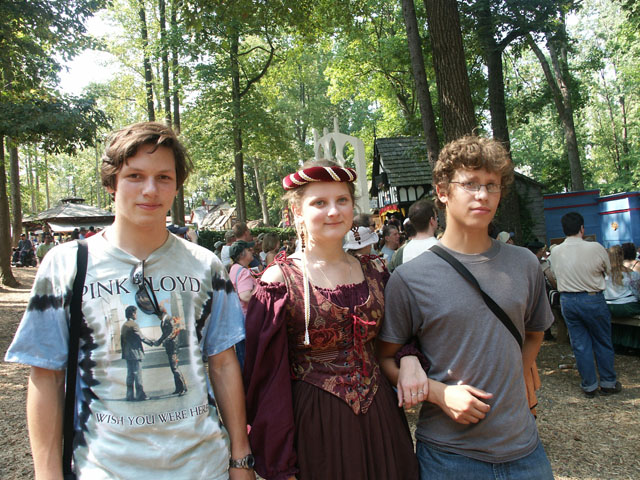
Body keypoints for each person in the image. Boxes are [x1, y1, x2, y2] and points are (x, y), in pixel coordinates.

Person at [5, 121, 254, 479]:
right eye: (135, 176)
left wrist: (240, 457)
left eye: (163, 178)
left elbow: (224, 364)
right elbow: (46, 376)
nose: (150, 190)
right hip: (103, 468)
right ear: (112, 183)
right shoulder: (66, 265)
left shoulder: (205, 265)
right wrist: (47, 474)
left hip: (203, 467)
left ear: (177, 185)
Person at [379, 135, 554, 480]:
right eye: (470, 183)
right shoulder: (409, 278)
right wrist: (438, 393)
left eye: (492, 185)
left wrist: (516, 377)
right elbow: (384, 357)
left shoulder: (525, 264)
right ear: (442, 191)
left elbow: (535, 332)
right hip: (449, 457)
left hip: (526, 452)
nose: (482, 195)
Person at [243, 159, 418, 480]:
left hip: (382, 422)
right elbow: (266, 380)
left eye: (342, 200)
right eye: (319, 203)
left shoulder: (376, 271)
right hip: (316, 427)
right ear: (297, 211)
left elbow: (399, 335)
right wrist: (281, 463)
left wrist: (409, 358)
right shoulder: (279, 281)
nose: (333, 211)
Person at [549, 211, 621, 398]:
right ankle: (608, 382)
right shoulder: (595, 247)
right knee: (602, 341)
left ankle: (589, 385)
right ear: (582, 228)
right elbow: (608, 270)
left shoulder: (555, 251)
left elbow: (554, 274)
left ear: (564, 229)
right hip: (592, 297)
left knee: (580, 344)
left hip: (567, 300)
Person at [120, 305, 154, 401]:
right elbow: (141, 337)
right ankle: (140, 395)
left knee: (130, 375)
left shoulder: (124, 326)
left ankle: (129, 395)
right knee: (137, 375)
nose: (136, 315)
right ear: (132, 313)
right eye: (136, 313)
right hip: (135, 354)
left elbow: (122, 341)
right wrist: (152, 343)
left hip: (128, 354)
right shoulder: (133, 325)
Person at [604, 245, 640, 317]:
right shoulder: (632, 274)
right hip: (628, 306)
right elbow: (637, 293)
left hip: (607, 306)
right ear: (622, 257)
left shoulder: (603, 274)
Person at [229, 240, 258, 315]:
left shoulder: (234, 268)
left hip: (236, 314)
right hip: (245, 316)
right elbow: (246, 297)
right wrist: (259, 285)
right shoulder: (243, 271)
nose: (252, 251)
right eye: (248, 250)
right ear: (241, 254)